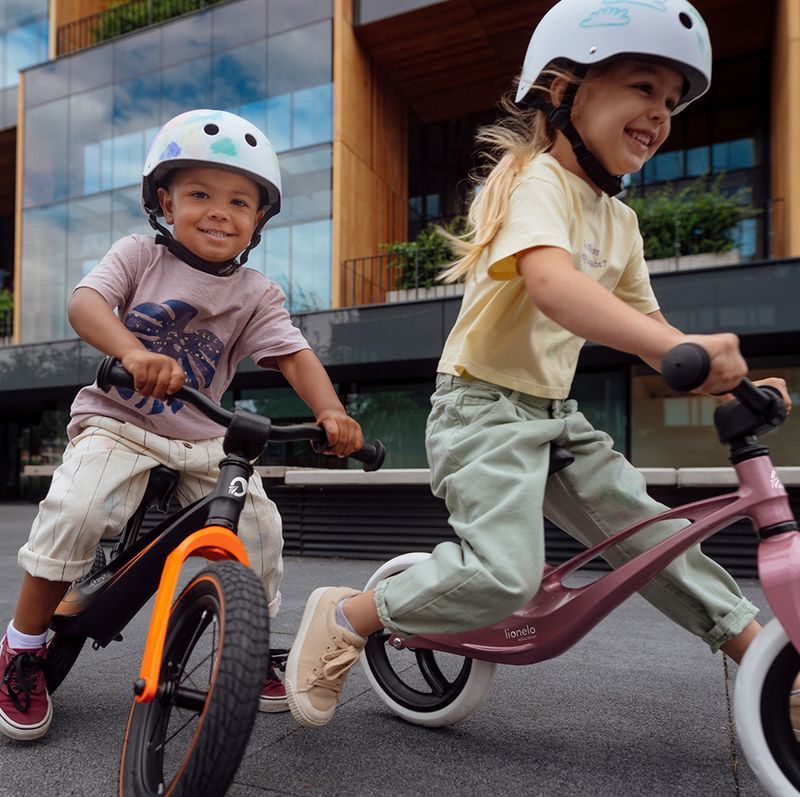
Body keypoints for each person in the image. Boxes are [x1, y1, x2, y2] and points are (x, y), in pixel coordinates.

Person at [284, 0, 792, 729]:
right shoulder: (536, 181)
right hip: (480, 409)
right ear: (567, 90)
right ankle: (350, 614)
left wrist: (729, 383)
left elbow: (650, 327)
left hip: (555, 416)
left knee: (658, 539)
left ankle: (778, 675)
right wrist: (673, 351)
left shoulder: (620, 221)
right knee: (505, 575)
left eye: (672, 101)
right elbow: (552, 285)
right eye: (643, 87)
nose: (660, 112)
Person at [0, 109, 363, 741]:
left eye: (239, 202)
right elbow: (85, 303)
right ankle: (22, 646)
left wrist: (330, 410)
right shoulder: (139, 255)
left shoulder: (255, 292)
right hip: (118, 422)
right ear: (166, 203)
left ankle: (248, 647)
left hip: (202, 439)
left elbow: (293, 354)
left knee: (261, 529)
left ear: (258, 219)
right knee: (78, 510)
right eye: (200, 195)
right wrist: (132, 352)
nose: (220, 212)